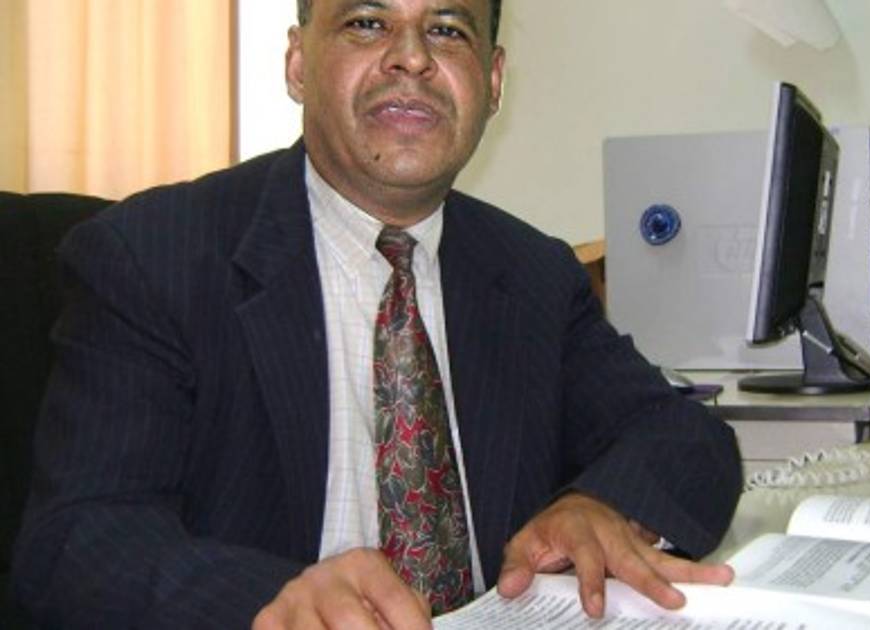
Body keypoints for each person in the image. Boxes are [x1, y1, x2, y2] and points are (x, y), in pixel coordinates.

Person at [11, 0, 743, 627]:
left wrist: (601, 503)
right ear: (298, 64)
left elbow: (683, 435)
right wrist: (274, 602)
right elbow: (77, 542)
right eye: (367, 22)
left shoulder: (532, 275)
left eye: (448, 30)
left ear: (492, 82)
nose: (412, 58)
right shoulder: (153, 257)